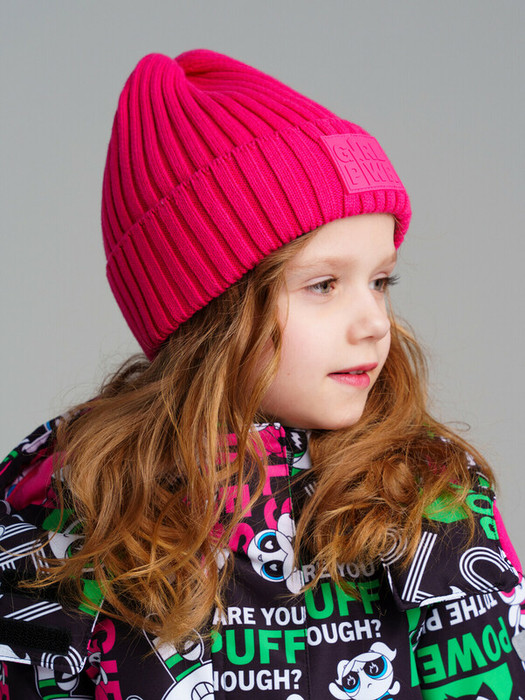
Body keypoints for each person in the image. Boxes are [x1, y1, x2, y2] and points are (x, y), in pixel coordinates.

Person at [0, 49, 523, 700]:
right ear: (210, 312)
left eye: (380, 281)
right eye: (323, 285)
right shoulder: (83, 501)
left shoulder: (426, 491)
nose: (373, 323)